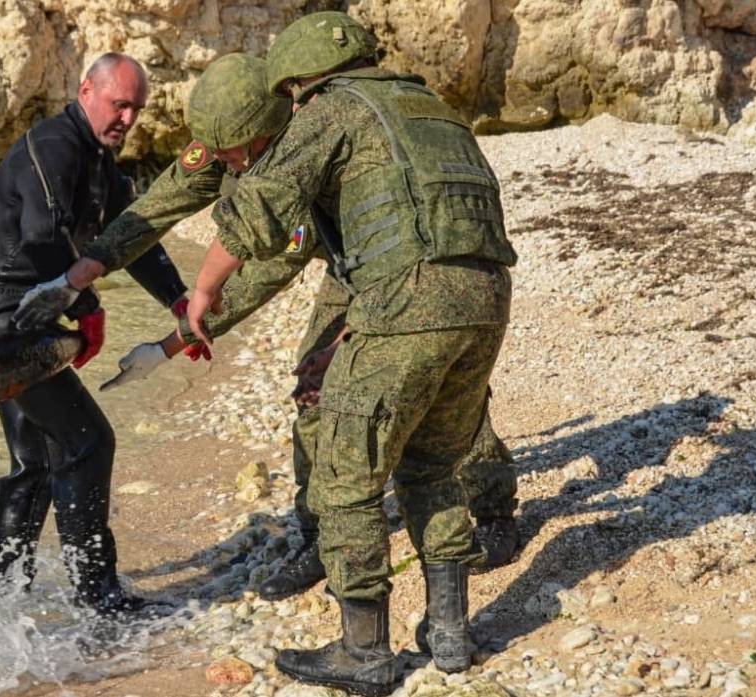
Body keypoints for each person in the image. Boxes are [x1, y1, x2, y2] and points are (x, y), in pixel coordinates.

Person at [24, 54, 519, 605]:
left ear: (265, 130)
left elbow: (268, 269)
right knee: (313, 389)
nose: (225, 162)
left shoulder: (303, 144)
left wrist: (174, 342)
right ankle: (318, 533)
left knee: (441, 382)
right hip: (347, 260)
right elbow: (157, 208)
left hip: (389, 260)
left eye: (235, 153)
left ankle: (494, 506)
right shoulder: (225, 138)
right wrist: (81, 274)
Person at [183, 12, 518, 696]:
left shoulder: (334, 107)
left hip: (411, 300)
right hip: (486, 297)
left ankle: (364, 650)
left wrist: (203, 290)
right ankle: (450, 630)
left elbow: (260, 208)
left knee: (345, 474)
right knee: (433, 462)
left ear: (301, 82)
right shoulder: (429, 106)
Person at [0, 53, 188, 616]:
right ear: (85, 88)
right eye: (119, 104)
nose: (127, 119)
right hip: (8, 325)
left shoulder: (100, 163)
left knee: (37, 462)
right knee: (89, 442)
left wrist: (180, 301)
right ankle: (98, 595)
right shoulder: (54, 147)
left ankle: (8, 599)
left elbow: (132, 237)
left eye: (136, 110)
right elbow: (44, 238)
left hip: (26, 323)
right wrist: (88, 308)